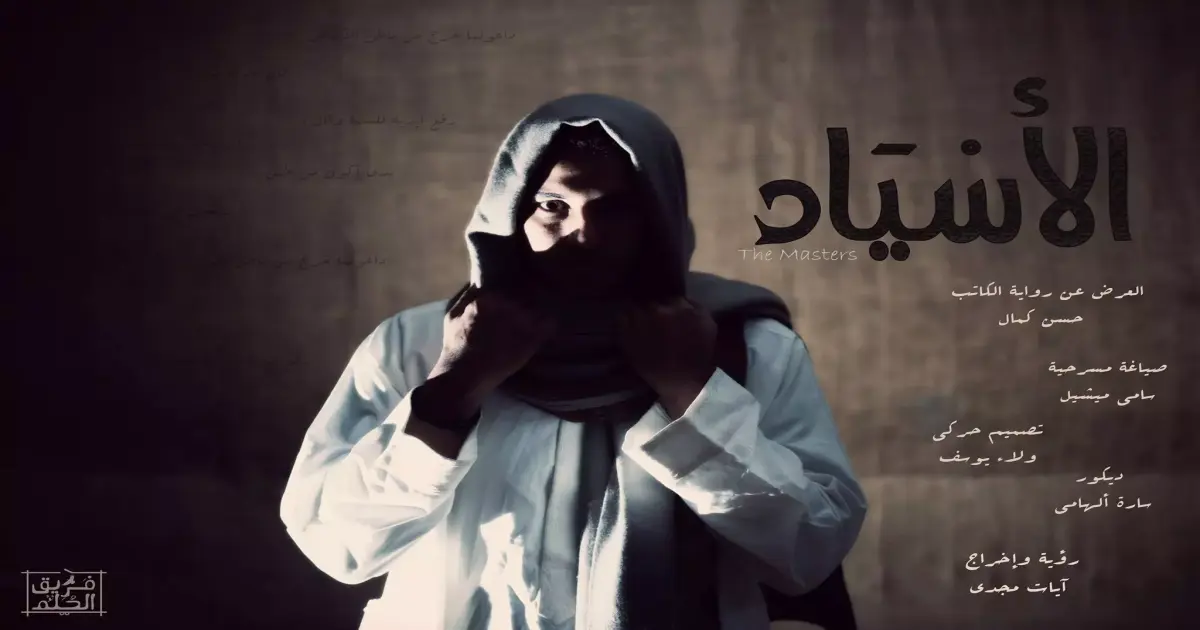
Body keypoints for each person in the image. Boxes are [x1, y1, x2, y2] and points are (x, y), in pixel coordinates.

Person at [280, 94, 868, 630]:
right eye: (551, 205)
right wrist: (454, 387)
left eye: (613, 209)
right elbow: (337, 545)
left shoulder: (745, 347)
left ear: (658, 214)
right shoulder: (414, 345)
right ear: (510, 208)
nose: (583, 234)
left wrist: (694, 393)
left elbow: (810, 549)